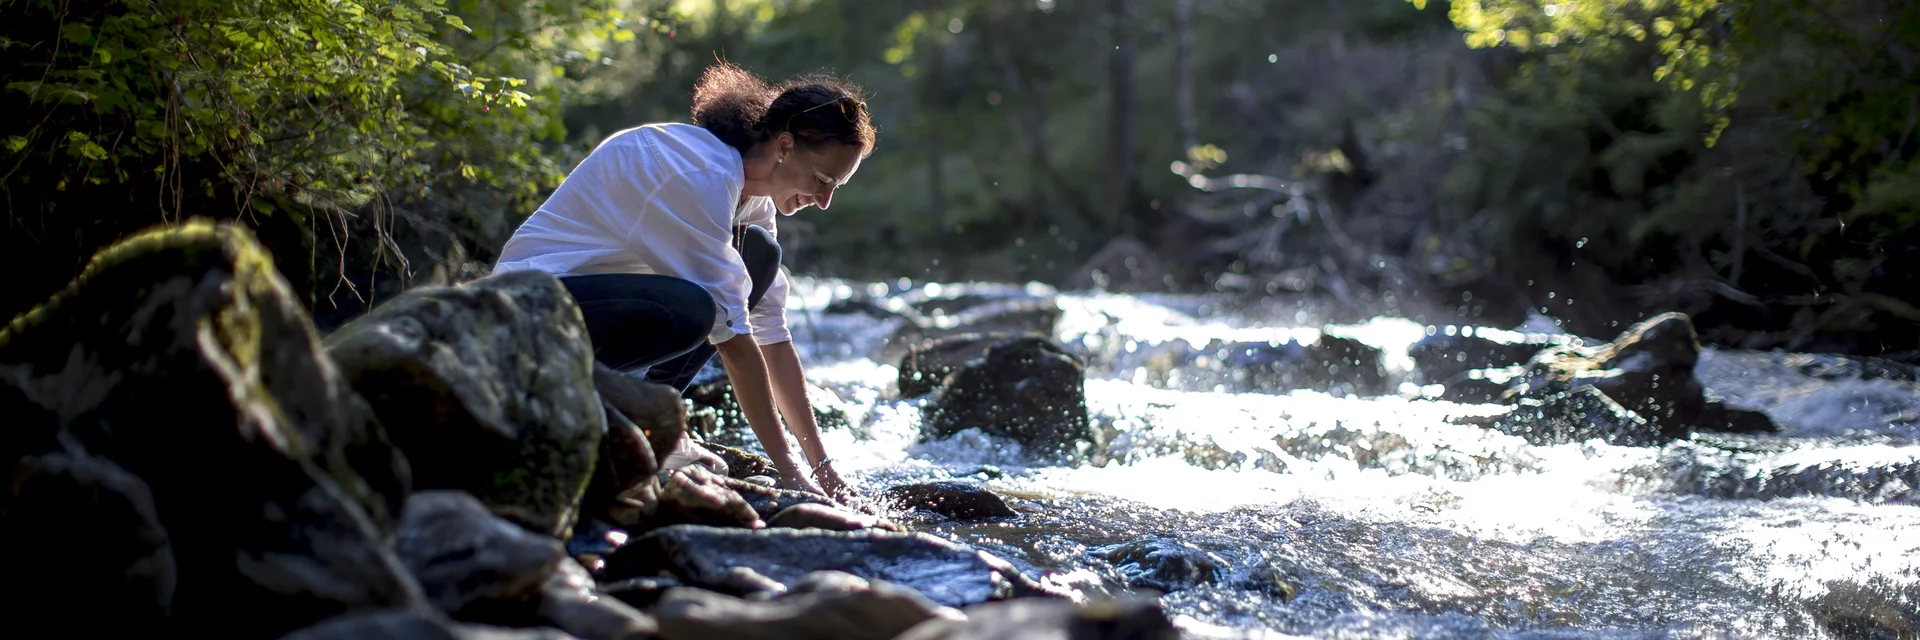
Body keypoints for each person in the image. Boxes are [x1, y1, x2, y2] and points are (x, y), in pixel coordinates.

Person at [491, 62, 874, 501]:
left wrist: (824, 470)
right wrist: (790, 474)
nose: (824, 201)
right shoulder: (696, 175)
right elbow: (734, 340)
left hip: (589, 309)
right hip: (526, 315)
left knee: (760, 261)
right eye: (822, 180)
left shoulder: (751, 199)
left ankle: (645, 421)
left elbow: (771, 337)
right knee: (696, 310)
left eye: (836, 188)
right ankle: (642, 422)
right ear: (784, 146)